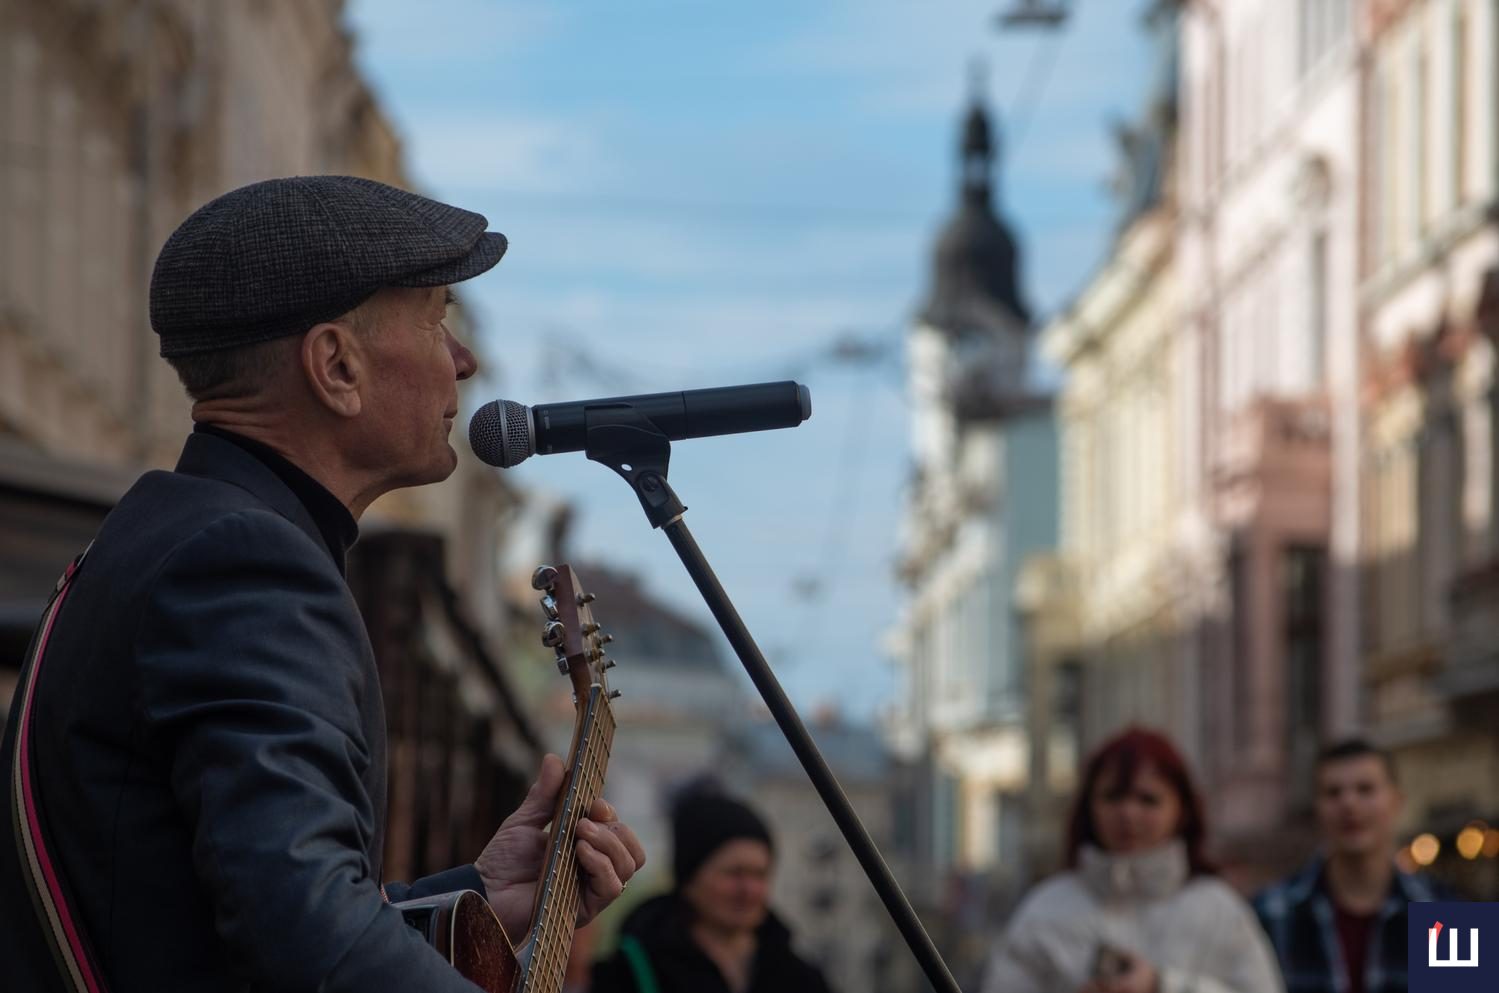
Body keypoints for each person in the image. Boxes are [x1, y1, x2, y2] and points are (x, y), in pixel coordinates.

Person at [0, 176, 646, 992]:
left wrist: (474, 896)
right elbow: (306, 938)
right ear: (337, 366)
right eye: (436, 318)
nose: (464, 360)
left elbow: (233, 916)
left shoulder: (180, 534)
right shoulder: (244, 563)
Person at [982, 727, 1283, 993]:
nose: (1128, 813)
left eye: (1148, 799)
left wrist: (1163, 986)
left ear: (1181, 810)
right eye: (1112, 797)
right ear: (1089, 807)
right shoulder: (1044, 912)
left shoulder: (1219, 913)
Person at [590, 788, 835, 993]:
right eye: (735, 873)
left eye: (760, 874)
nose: (749, 890)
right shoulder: (631, 971)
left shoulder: (801, 978)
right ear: (689, 879)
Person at [1252, 739, 1441, 993]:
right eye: (1333, 793)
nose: (1349, 804)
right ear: (1316, 808)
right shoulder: (1268, 915)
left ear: (1396, 801)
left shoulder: (1449, 912)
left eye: (1365, 789)